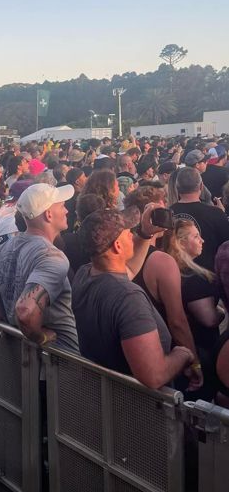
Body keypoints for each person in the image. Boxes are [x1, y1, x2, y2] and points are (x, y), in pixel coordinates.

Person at [72, 209, 197, 390]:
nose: (132, 234)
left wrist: (145, 235)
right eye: (127, 232)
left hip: (101, 394)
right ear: (117, 246)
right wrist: (183, 354)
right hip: (136, 408)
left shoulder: (85, 273)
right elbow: (153, 375)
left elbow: (127, 271)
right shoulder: (128, 298)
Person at [0, 182, 78, 350]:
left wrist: (16, 323)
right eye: (62, 206)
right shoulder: (52, 256)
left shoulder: (3, 249)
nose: (67, 211)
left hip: (22, 357)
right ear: (48, 214)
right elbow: (25, 311)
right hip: (60, 360)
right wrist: (40, 336)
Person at [161, 219, 223, 398]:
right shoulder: (193, 278)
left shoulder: (171, 271)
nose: (202, 240)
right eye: (196, 237)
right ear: (181, 243)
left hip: (182, 352)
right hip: (200, 351)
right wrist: (221, 312)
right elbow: (208, 318)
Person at [171, 167, 229, 272]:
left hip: (175, 274)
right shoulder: (216, 213)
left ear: (177, 187)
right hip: (209, 277)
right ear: (201, 186)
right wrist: (222, 215)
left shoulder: (168, 213)